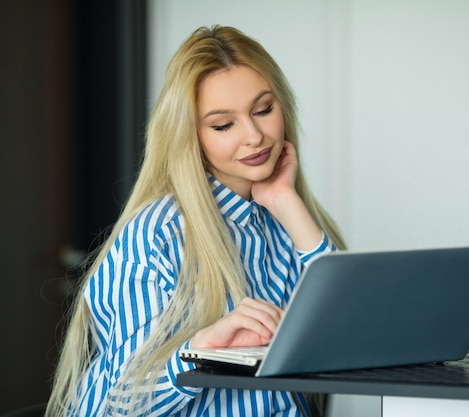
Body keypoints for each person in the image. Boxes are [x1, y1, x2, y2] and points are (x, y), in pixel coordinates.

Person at [47, 25, 346, 417]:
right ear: (191, 136)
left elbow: (348, 338)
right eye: (224, 125)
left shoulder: (286, 222)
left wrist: (287, 202)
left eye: (263, 110)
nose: (254, 136)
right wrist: (198, 351)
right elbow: (118, 404)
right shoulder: (158, 235)